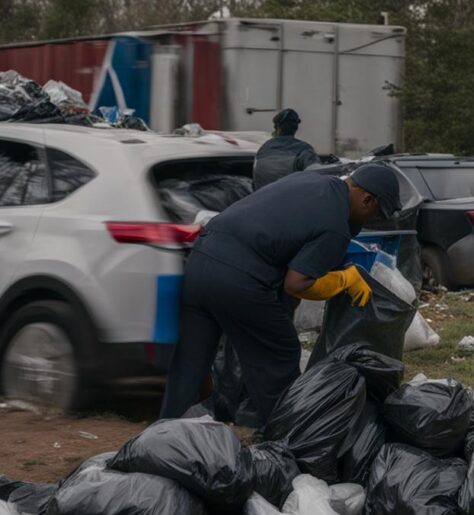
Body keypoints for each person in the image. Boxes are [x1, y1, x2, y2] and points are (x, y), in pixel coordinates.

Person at [159, 164, 401, 424]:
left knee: (190, 362)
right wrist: (345, 279)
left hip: (200, 261)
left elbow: (284, 259)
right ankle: (286, 442)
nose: (367, 221)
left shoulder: (307, 181)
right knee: (280, 355)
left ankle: (162, 440)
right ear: (367, 199)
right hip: (239, 280)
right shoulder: (336, 224)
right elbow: (296, 284)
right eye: (374, 213)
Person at [253, 108, 319, 190]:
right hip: (292, 200)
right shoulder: (303, 149)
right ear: (296, 128)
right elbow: (316, 177)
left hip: (262, 199)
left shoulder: (264, 149)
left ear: (277, 127)